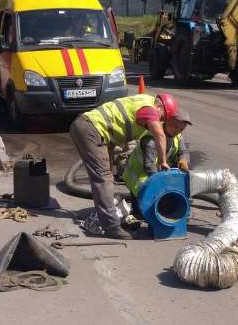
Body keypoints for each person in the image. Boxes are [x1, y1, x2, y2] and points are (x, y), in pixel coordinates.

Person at [70, 93, 180, 239]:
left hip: (92, 129)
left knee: (105, 175)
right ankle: (111, 227)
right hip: (91, 129)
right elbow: (159, 135)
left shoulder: (143, 101)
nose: (160, 121)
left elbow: (120, 123)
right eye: (162, 118)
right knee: (103, 179)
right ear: (159, 107)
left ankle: (107, 213)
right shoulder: (149, 109)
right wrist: (162, 161)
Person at [123, 110, 192, 201]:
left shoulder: (178, 135)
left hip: (159, 173)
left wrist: (184, 160)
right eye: (176, 127)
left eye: (181, 129)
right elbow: (150, 167)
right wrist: (164, 186)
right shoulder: (151, 140)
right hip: (139, 179)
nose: (178, 131)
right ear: (167, 120)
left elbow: (184, 151)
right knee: (143, 210)